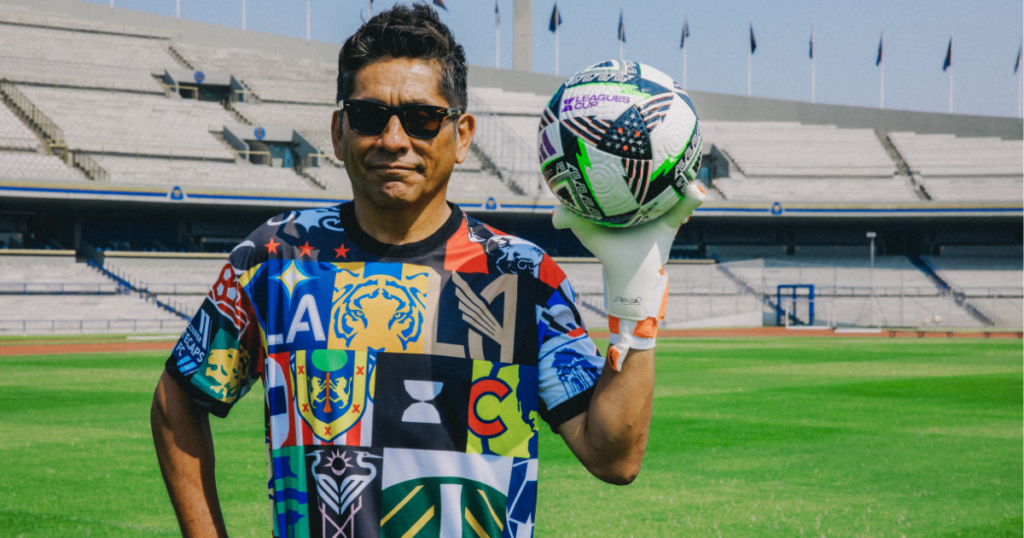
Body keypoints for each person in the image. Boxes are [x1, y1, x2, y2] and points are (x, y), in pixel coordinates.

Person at [150, 5, 703, 538]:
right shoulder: (274, 259)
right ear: (339, 132)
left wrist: (637, 295)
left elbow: (614, 456)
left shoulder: (521, 275)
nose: (394, 140)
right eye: (369, 117)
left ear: (461, 135)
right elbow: (177, 400)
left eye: (420, 118)